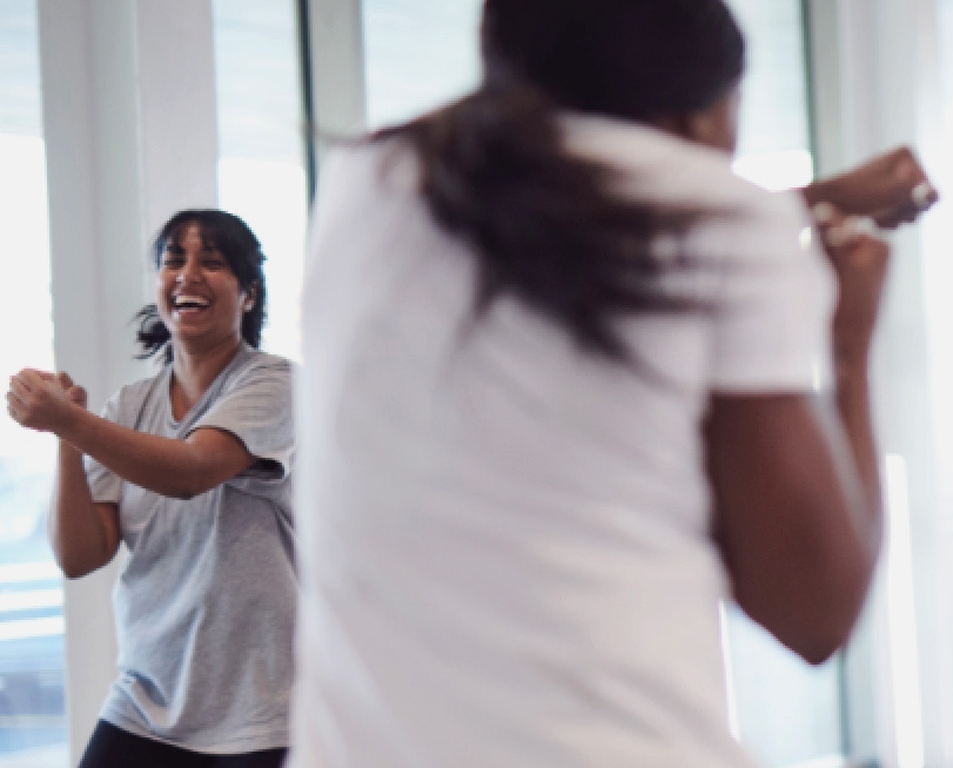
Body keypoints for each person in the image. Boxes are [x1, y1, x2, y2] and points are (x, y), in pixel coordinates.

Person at [289, 1, 897, 766]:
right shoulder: (728, 222)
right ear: (707, 114)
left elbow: (562, 191)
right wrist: (848, 343)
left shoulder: (367, 182)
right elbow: (815, 613)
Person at [5, 209, 296, 768]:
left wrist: (73, 424)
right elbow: (79, 554)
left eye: (211, 262)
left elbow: (190, 471)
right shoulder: (128, 409)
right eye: (173, 261)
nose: (187, 274)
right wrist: (68, 436)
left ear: (250, 294)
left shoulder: (275, 385)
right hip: (145, 700)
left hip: (259, 712)